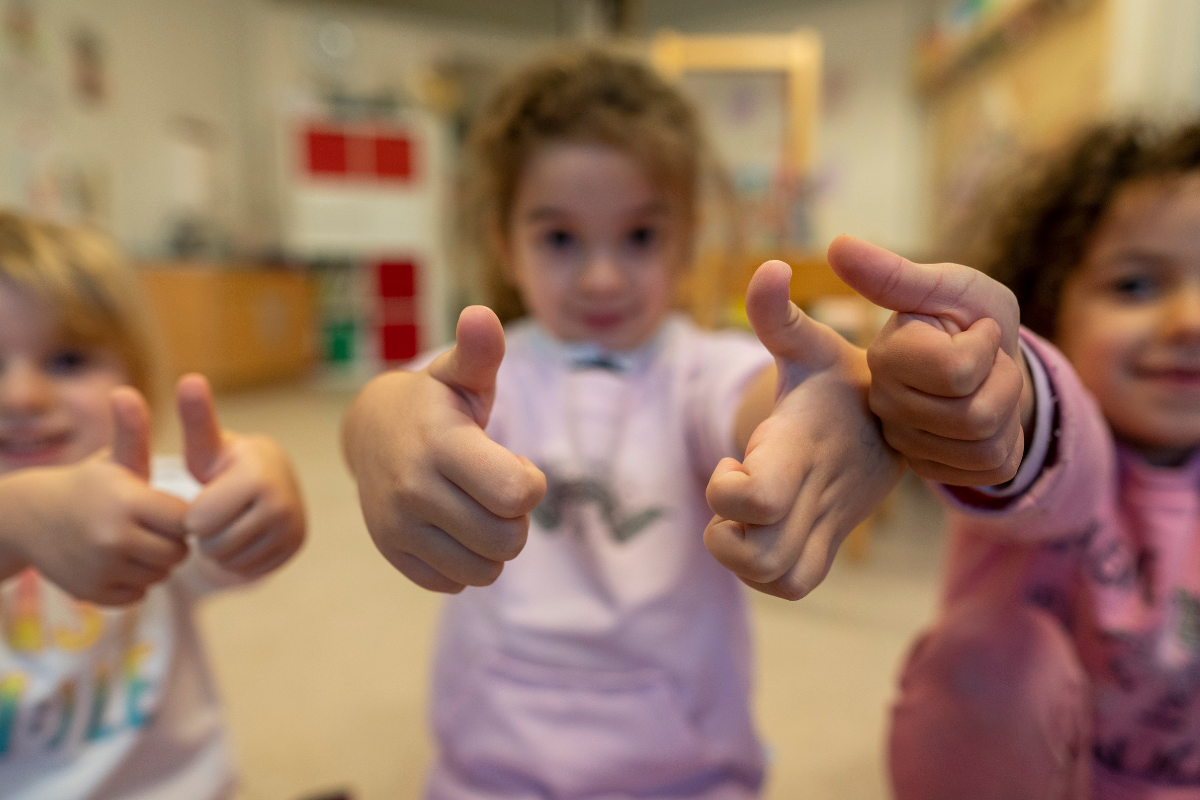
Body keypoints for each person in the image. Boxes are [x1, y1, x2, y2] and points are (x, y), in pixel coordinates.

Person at [341, 49, 900, 798]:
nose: (602, 276)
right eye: (561, 239)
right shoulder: (483, 364)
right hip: (489, 770)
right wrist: (377, 423)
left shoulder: (700, 368)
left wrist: (812, 407)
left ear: (686, 238)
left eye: (639, 236)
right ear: (506, 242)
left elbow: (758, 402)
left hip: (687, 772)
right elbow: (393, 408)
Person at [820, 122, 1200, 798]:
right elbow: (1050, 445)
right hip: (1029, 775)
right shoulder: (1067, 447)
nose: (1189, 321)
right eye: (1136, 286)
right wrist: (1002, 391)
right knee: (990, 658)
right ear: (1053, 303)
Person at [0, 211, 306, 799]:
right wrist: (16, 524)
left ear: (135, 379)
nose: (22, 396)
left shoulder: (149, 494)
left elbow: (236, 531)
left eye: (67, 361)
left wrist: (264, 486)